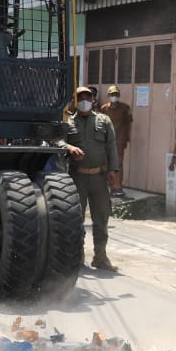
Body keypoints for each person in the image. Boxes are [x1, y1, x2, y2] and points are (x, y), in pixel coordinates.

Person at [61, 84, 119, 271]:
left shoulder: (104, 120)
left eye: (88, 97)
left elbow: (111, 146)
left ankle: (100, 257)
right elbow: (58, 140)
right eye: (81, 98)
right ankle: (77, 256)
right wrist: (69, 147)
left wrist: (113, 170)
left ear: (93, 100)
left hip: (99, 177)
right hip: (77, 177)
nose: (84, 101)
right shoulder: (68, 122)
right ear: (74, 101)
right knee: (76, 219)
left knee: (101, 218)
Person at [99, 85, 133, 199]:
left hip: (119, 140)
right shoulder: (104, 108)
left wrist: (127, 138)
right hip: (106, 141)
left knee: (118, 164)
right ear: (108, 95)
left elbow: (129, 124)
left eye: (116, 94)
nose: (114, 96)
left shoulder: (125, 108)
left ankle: (118, 187)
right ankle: (110, 187)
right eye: (112, 94)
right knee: (107, 164)